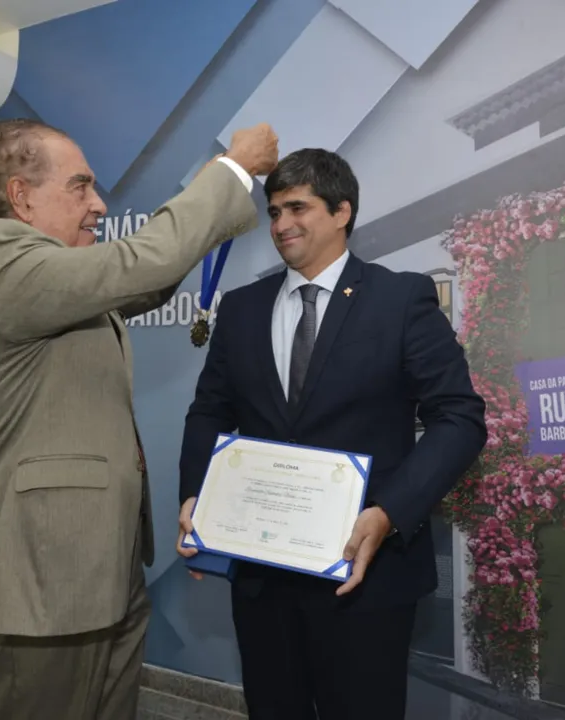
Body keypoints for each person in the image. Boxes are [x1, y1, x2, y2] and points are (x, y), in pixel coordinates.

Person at [0, 117, 278, 720]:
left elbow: (144, 281)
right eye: (80, 187)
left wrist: (201, 206)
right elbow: (138, 265)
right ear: (20, 196)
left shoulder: (56, 280)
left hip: (103, 564)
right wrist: (231, 170)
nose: (98, 205)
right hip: (41, 578)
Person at [176, 148, 487, 720]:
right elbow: (209, 413)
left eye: (297, 207)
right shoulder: (242, 310)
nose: (281, 225)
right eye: (272, 212)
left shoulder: (401, 300)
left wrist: (388, 513)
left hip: (365, 576)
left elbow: (459, 418)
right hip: (262, 579)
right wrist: (198, 497)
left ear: (342, 212)